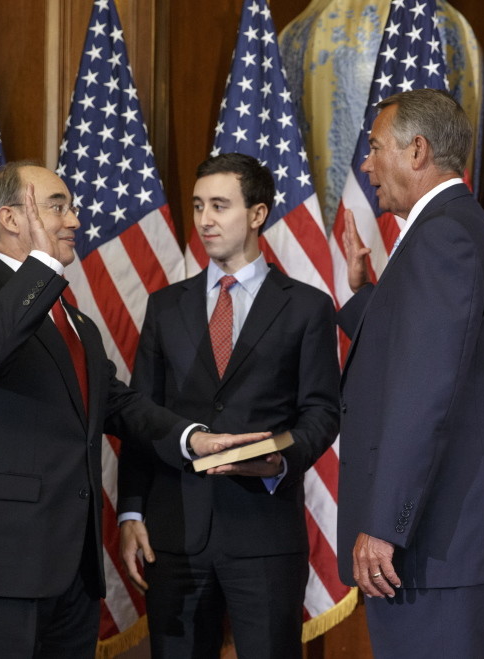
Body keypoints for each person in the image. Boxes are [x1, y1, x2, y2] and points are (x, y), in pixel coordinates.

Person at [0, 161, 270, 658]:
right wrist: (41, 265)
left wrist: (192, 438)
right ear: (11, 218)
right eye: (56, 206)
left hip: (72, 572)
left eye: (70, 207)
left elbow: (118, 403)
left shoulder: (76, 321)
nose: (73, 220)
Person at [117, 153, 340, 658]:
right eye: (198, 206)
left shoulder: (306, 307)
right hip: (174, 538)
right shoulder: (165, 306)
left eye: (219, 205)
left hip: (263, 536)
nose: (205, 220)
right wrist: (130, 509)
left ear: (257, 214)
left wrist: (279, 459)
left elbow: (322, 413)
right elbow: (139, 415)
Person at [338, 89, 484, 658]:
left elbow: (425, 396)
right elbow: (426, 351)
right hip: (439, 545)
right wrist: (363, 298)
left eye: (375, 149)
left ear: (417, 150)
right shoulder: (449, 230)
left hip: (432, 544)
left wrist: (384, 525)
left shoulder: (443, 236)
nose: (367, 164)